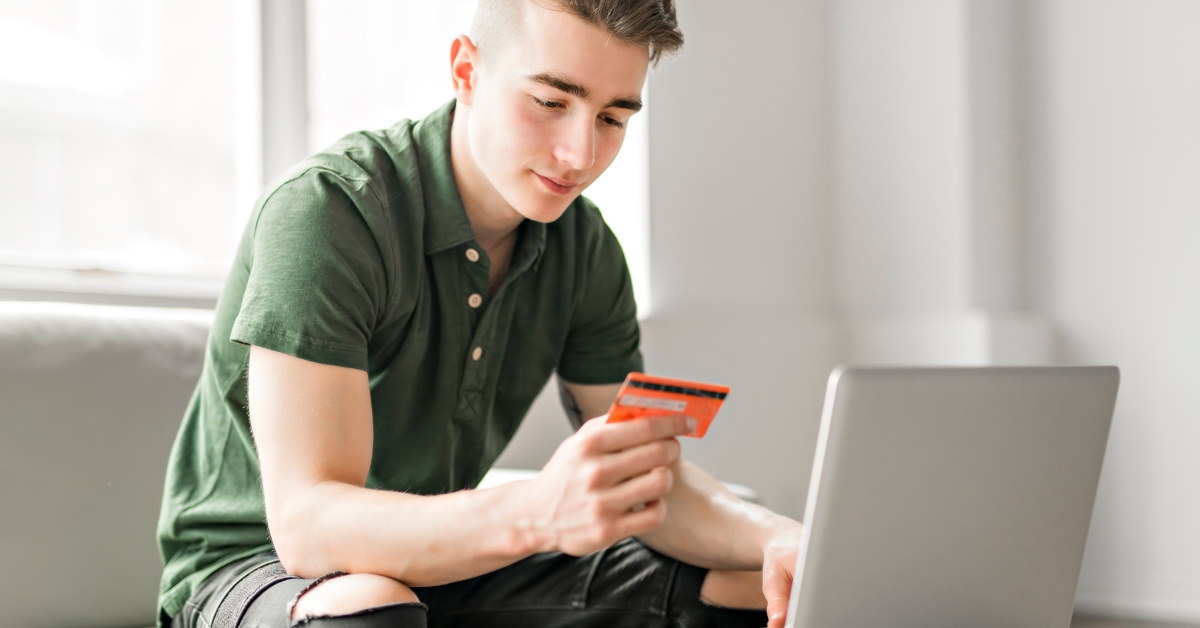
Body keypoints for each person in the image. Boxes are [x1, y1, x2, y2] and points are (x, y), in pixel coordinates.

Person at [157, 1, 802, 626]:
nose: (580, 154)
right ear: (466, 71)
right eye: (550, 102)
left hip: (449, 566)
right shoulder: (330, 212)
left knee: (752, 590)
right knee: (367, 604)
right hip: (256, 566)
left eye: (612, 118)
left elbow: (643, 481)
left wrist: (784, 538)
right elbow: (307, 530)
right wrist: (538, 512)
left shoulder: (586, 247)